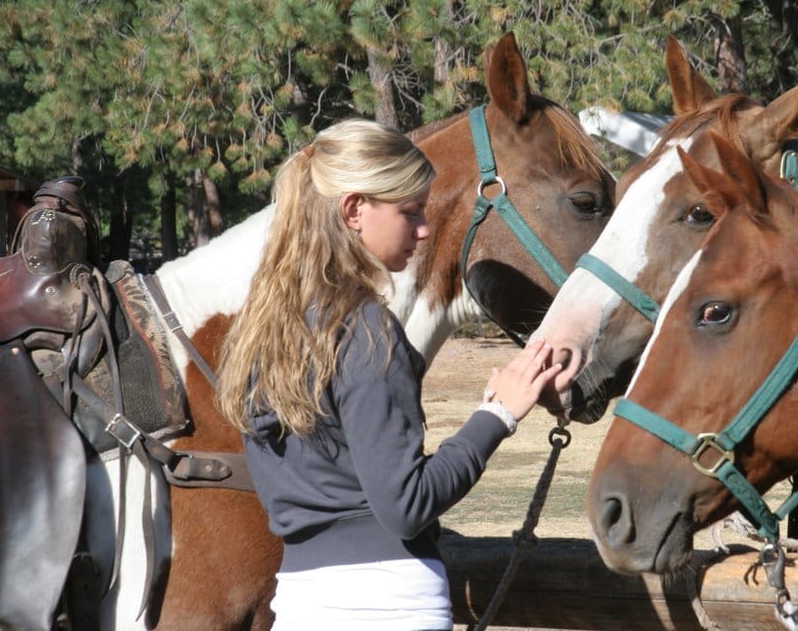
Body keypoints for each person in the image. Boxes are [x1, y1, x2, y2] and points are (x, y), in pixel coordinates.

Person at [217, 118, 560, 630]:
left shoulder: (258, 334)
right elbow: (406, 505)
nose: (424, 231)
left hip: (299, 603)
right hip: (390, 606)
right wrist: (498, 414)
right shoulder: (366, 328)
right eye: (411, 212)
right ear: (354, 210)